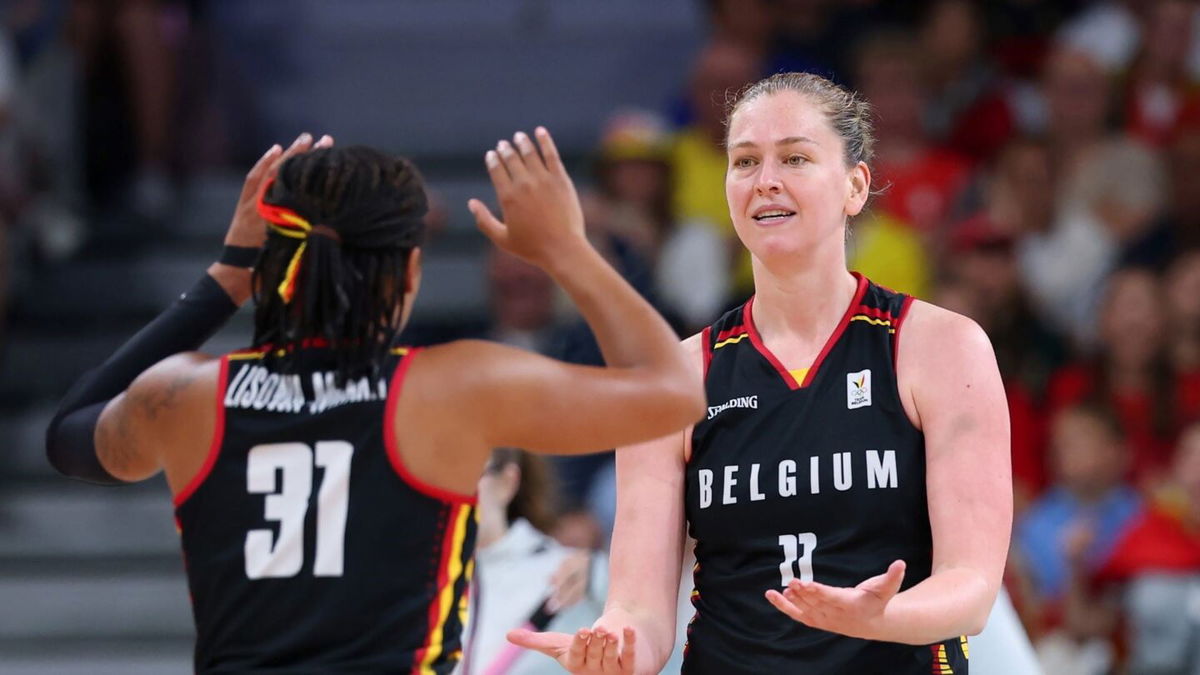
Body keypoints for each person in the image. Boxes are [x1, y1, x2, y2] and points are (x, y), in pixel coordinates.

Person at [43, 129, 704, 672]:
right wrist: (566, 250)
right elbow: (674, 392)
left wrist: (226, 277)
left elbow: (68, 432)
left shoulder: (187, 394)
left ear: (269, 259)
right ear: (410, 272)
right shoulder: (449, 388)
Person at [510, 72, 1011, 673]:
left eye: (795, 157)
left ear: (855, 186)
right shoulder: (674, 380)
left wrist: (879, 617)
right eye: (745, 161)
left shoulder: (941, 347)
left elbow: (971, 588)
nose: (766, 180)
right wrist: (614, 651)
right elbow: (640, 610)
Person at [461, 448, 607, 675]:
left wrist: (599, 576)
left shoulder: (572, 571)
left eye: (468, 475)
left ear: (507, 483)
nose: (451, 493)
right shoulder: (422, 583)